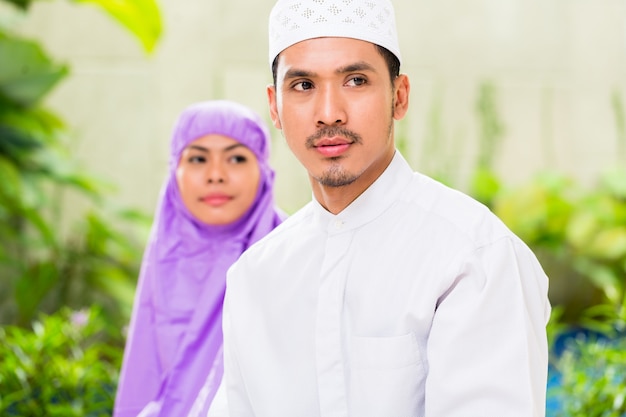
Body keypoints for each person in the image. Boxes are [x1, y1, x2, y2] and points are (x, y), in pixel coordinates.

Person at [221, 0, 551, 416]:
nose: (328, 114)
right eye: (303, 85)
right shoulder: (255, 277)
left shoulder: (474, 258)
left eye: (355, 80)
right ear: (274, 107)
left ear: (399, 96)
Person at [113, 100, 285, 417]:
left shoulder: (292, 254)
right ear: (173, 171)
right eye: (197, 158)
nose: (215, 175)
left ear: (262, 169)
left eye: (236, 158)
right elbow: (144, 370)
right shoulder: (165, 251)